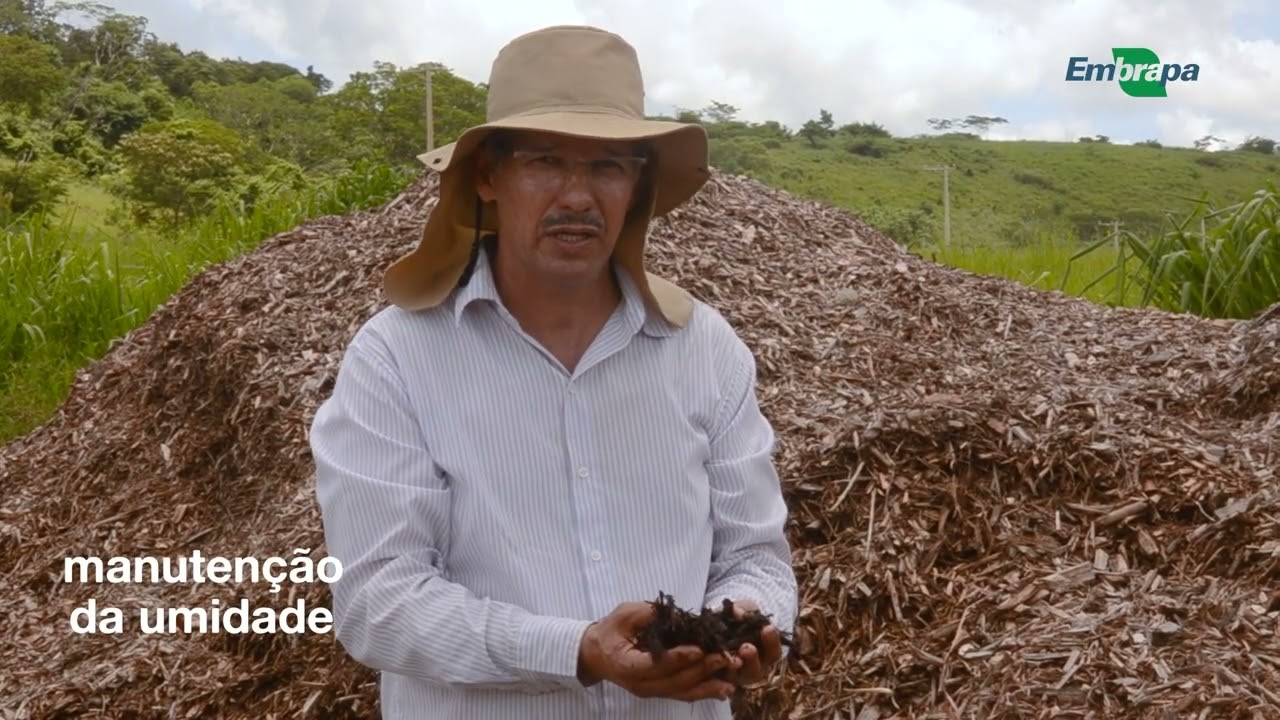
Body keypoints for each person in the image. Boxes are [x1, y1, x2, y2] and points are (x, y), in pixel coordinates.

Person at [309, 24, 797, 720]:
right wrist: (576, 651)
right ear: (488, 176)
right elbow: (378, 602)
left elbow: (758, 557)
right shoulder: (399, 357)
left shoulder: (705, 350)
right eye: (544, 161)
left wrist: (750, 625)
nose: (578, 196)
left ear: (638, 185)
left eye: (607, 166)